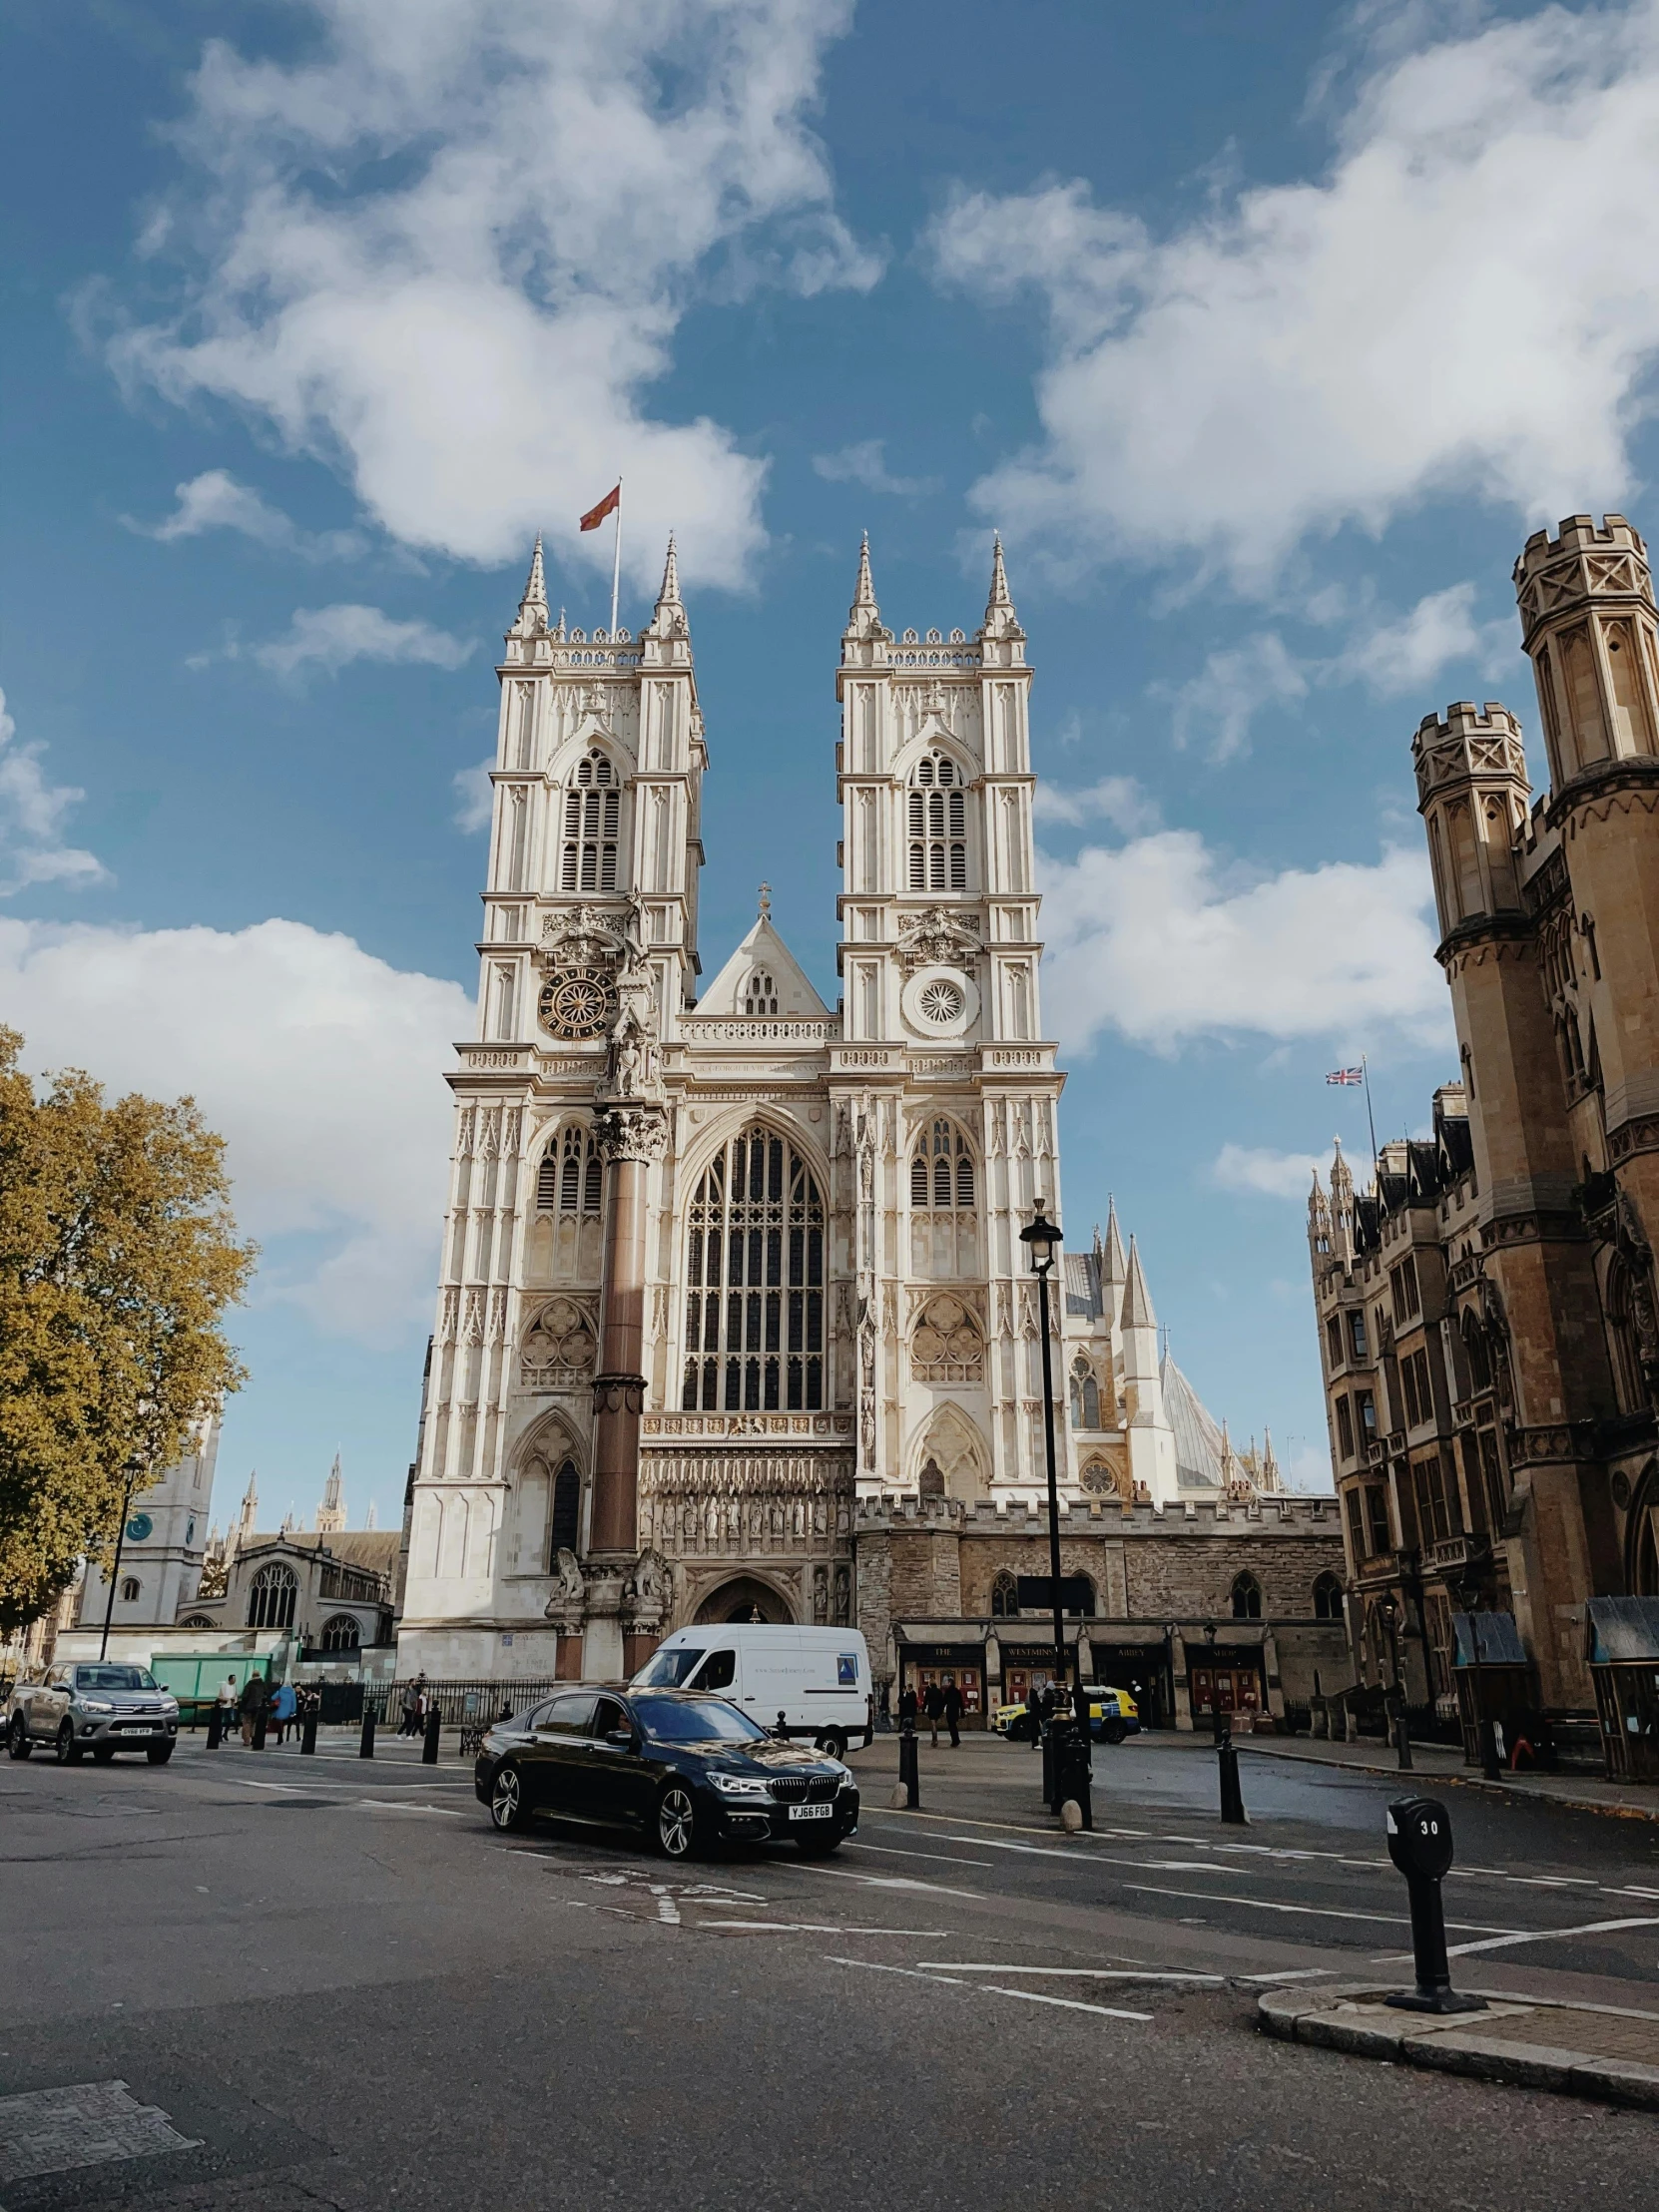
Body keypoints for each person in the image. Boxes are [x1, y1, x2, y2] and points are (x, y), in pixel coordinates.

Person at [239, 1672, 270, 1749]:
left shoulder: (249, 1684)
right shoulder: (263, 1684)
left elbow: (244, 1696)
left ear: (252, 1676)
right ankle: (254, 1738)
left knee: (247, 1723)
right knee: (255, 1723)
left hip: (249, 1707)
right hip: (259, 1707)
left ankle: (246, 1740)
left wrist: (243, 1706)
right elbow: (266, 1694)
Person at [270, 1678, 297, 1745]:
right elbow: (294, 1703)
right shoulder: (292, 1693)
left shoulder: (280, 1691)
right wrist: (292, 1711)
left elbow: (272, 1698)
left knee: (280, 1724)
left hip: (279, 1712)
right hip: (288, 1713)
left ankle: (280, 1738)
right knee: (285, 1724)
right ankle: (286, 1737)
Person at [922, 1680, 944, 1750]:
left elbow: (925, 1701)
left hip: (931, 1708)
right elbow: (942, 1701)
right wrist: (941, 1710)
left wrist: (923, 1709)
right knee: (935, 1724)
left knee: (933, 1724)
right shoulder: (939, 1691)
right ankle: (935, 1739)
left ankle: (934, 1739)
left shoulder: (929, 1691)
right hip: (937, 1709)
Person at [941, 1679, 962, 1750]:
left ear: (950, 1683)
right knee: (954, 1725)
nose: (947, 1684)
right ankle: (956, 1739)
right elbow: (961, 1702)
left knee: (951, 1726)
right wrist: (962, 1711)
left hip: (950, 1710)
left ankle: (955, 1740)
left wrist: (941, 1709)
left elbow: (944, 1701)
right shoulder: (957, 1691)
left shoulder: (948, 1691)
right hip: (955, 1710)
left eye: (947, 1683)